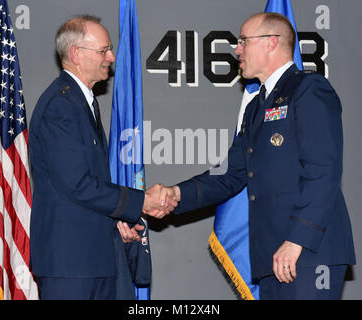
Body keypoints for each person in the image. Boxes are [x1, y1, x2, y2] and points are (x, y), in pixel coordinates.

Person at [153, 12, 356, 300]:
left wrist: (296, 240)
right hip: (272, 256)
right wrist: (175, 194)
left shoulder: (308, 89)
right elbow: (229, 172)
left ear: (271, 43)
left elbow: (323, 170)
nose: (237, 49)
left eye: (243, 41)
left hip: (308, 254)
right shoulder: (255, 107)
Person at [29, 15, 176, 300]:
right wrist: (142, 201)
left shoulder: (81, 101)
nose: (111, 56)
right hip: (70, 263)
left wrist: (117, 221)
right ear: (76, 54)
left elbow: (87, 186)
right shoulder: (61, 105)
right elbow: (78, 185)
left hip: (92, 256)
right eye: (104, 50)